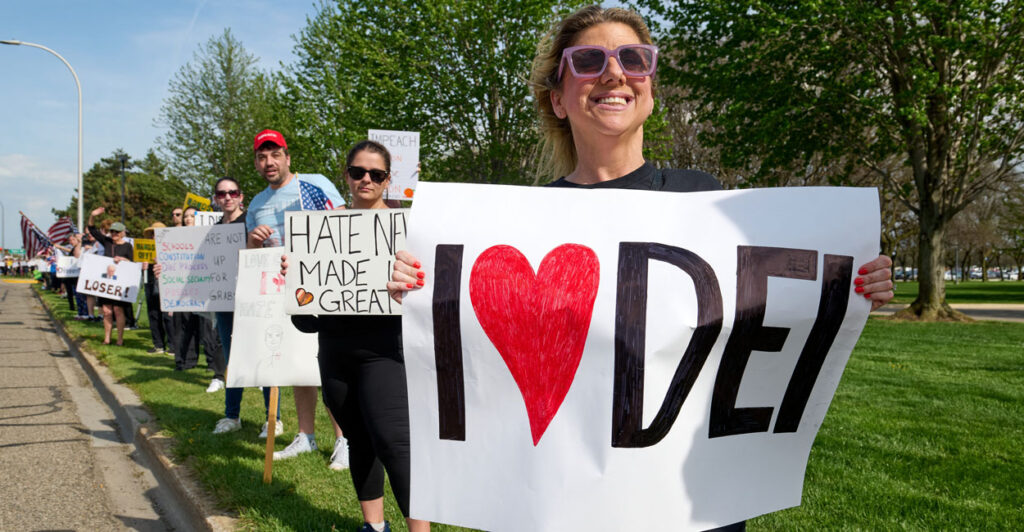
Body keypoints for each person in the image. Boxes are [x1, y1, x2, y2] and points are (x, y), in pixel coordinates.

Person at [387, 5, 895, 531]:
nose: (614, 73)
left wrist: (850, 281)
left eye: (633, 58)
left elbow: (759, 313)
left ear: (650, 89)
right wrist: (427, 290)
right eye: (588, 60)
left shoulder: (706, 201)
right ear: (558, 100)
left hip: (687, 497)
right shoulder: (518, 227)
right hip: (568, 498)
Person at [282, 140, 429, 532]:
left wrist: (414, 280)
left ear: (387, 180)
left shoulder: (409, 234)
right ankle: (374, 526)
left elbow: (425, 300)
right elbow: (307, 322)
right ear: (345, 175)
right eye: (358, 172)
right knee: (358, 441)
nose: (366, 179)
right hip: (334, 352)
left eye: (376, 174)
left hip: (386, 353)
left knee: (395, 445)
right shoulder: (320, 232)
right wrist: (297, 279)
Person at [245, 128, 348, 465]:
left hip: (321, 286)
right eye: (262, 156)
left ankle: (344, 439)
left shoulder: (314, 185)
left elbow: (345, 224)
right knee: (297, 362)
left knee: (329, 363)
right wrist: (254, 244)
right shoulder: (257, 204)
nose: (269, 162)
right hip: (280, 291)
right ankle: (306, 436)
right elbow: (251, 258)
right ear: (257, 163)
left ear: (288, 158)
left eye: (275, 155)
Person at [209, 177, 282, 435]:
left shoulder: (250, 224)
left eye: (233, 192)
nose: (227, 197)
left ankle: (274, 418)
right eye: (222, 193)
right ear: (216, 198)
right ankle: (232, 416)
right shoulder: (213, 231)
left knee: (266, 354)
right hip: (225, 301)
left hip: (255, 299)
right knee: (233, 358)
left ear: (241, 196)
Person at [87, 207, 135, 346]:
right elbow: (92, 229)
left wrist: (123, 260)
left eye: (116, 232)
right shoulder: (107, 242)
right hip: (107, 282)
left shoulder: (127, 246)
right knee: (107, 311)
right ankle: (107, 338)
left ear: (122, 233)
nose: (113, 234)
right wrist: (92, 215)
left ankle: (120, 339)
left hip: (120, 283)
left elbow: (132, 263)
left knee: (118, 310)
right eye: (112, 231)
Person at [141, 222, 170, 353]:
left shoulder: (170, 247)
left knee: (167, 314)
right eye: (152, 234)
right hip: (150, 279)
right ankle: (158, 344)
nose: (154, 237)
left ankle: (172, 345)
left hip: (165, 281)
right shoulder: (145, 249)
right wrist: (143, 266)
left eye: (157, 234)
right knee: (153, 312)